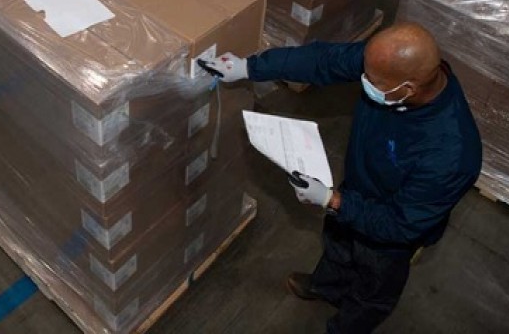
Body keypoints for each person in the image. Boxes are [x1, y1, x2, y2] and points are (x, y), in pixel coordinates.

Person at [203, 21, 482, 334]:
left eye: (372, 81)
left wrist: (332, 200)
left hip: (390, 233)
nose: (362, 80)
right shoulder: (385, 65)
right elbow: (323, 60)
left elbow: (398, 225)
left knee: (372, 288)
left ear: (407, 89)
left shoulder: (451, 154)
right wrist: (250, 67)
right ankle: (328, 287)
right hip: (358, 187)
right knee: (337, 244)